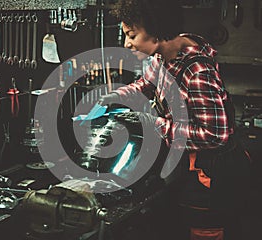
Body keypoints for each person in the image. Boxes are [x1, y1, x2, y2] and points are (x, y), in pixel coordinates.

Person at [96, 0, 251, 239]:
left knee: (204, 229)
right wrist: (115, 96)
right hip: (187, 164)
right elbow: (147, 84)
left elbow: (214, 135)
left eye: (132, 35)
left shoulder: (197, 72)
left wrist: (154, 124)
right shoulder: (162, 57)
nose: (126, 43)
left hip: (211, 173)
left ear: (156, 30)